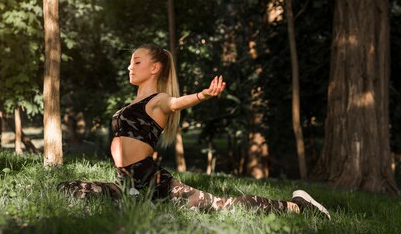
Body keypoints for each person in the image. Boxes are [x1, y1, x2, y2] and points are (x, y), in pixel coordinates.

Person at [58, 44, 330, 218]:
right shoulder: (129, 104)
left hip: (154, 184)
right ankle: (139, 206)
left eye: (137, 62)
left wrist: (203, 94)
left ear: (155, 68)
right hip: (125, 184)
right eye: (130, 62)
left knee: (222, 206)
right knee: (70, 188)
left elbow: (177, 102)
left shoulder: (158, 101)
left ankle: (297, 205)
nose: (130, 66)